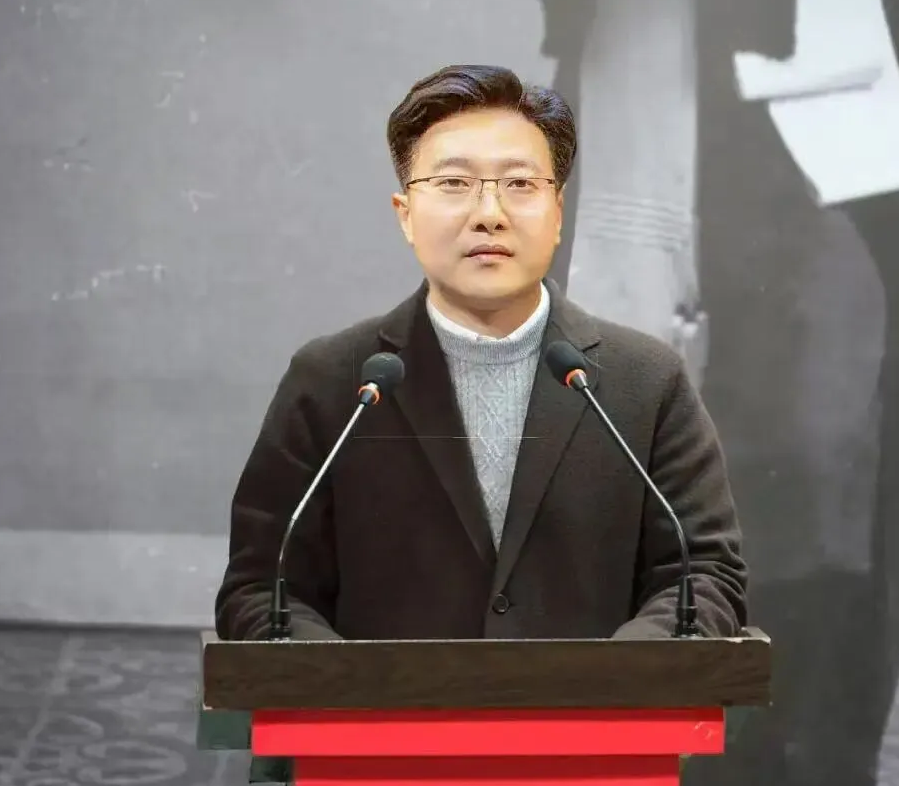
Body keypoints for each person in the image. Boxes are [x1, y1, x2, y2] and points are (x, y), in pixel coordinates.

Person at [215, 64, 746, 648]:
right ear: (405, 215)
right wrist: (352, 686)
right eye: (453, 183)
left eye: (519, 184)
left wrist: (610, 680)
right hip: (383, 709)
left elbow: (703, 578)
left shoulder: (645, 381)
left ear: (558, 212)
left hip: (595, 709)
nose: (489, 213)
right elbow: (263, 589)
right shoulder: (334, 381)